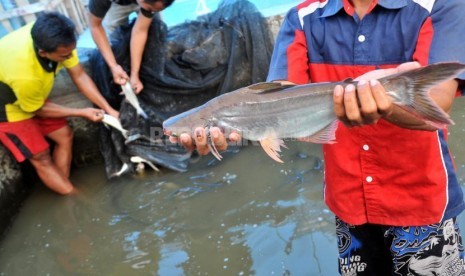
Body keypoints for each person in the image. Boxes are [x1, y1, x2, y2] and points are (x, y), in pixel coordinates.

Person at [168, 0, 465, 274]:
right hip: (348, 202)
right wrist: (242, 128)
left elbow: (434, 109)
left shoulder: (438, 5)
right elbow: (282, 92)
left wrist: (390, 94)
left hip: (424, 201)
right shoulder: (301, 17)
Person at [0, 12, 119, 195]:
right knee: (41, 157)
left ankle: (63, 186)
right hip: (7, 108)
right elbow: (37, 110)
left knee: (64, 135)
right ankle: (74, 197)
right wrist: (82, 112)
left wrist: (109, 109)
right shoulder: (25, 75)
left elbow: (79, 75)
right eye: (64, 55)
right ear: (43, 53)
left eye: (72, 51)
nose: (70, 56)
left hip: (30, 97)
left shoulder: (54, 37)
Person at [88, 0, 175, 94]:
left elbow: (140, 31)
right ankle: (123, 79)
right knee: (116, 42)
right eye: (151, 9)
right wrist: (114, 66)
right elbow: (95, 26)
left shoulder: (155, 4)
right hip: (116, 5)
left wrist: (135, 74)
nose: (153, 11)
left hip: (150, 3)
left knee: (156, 30)